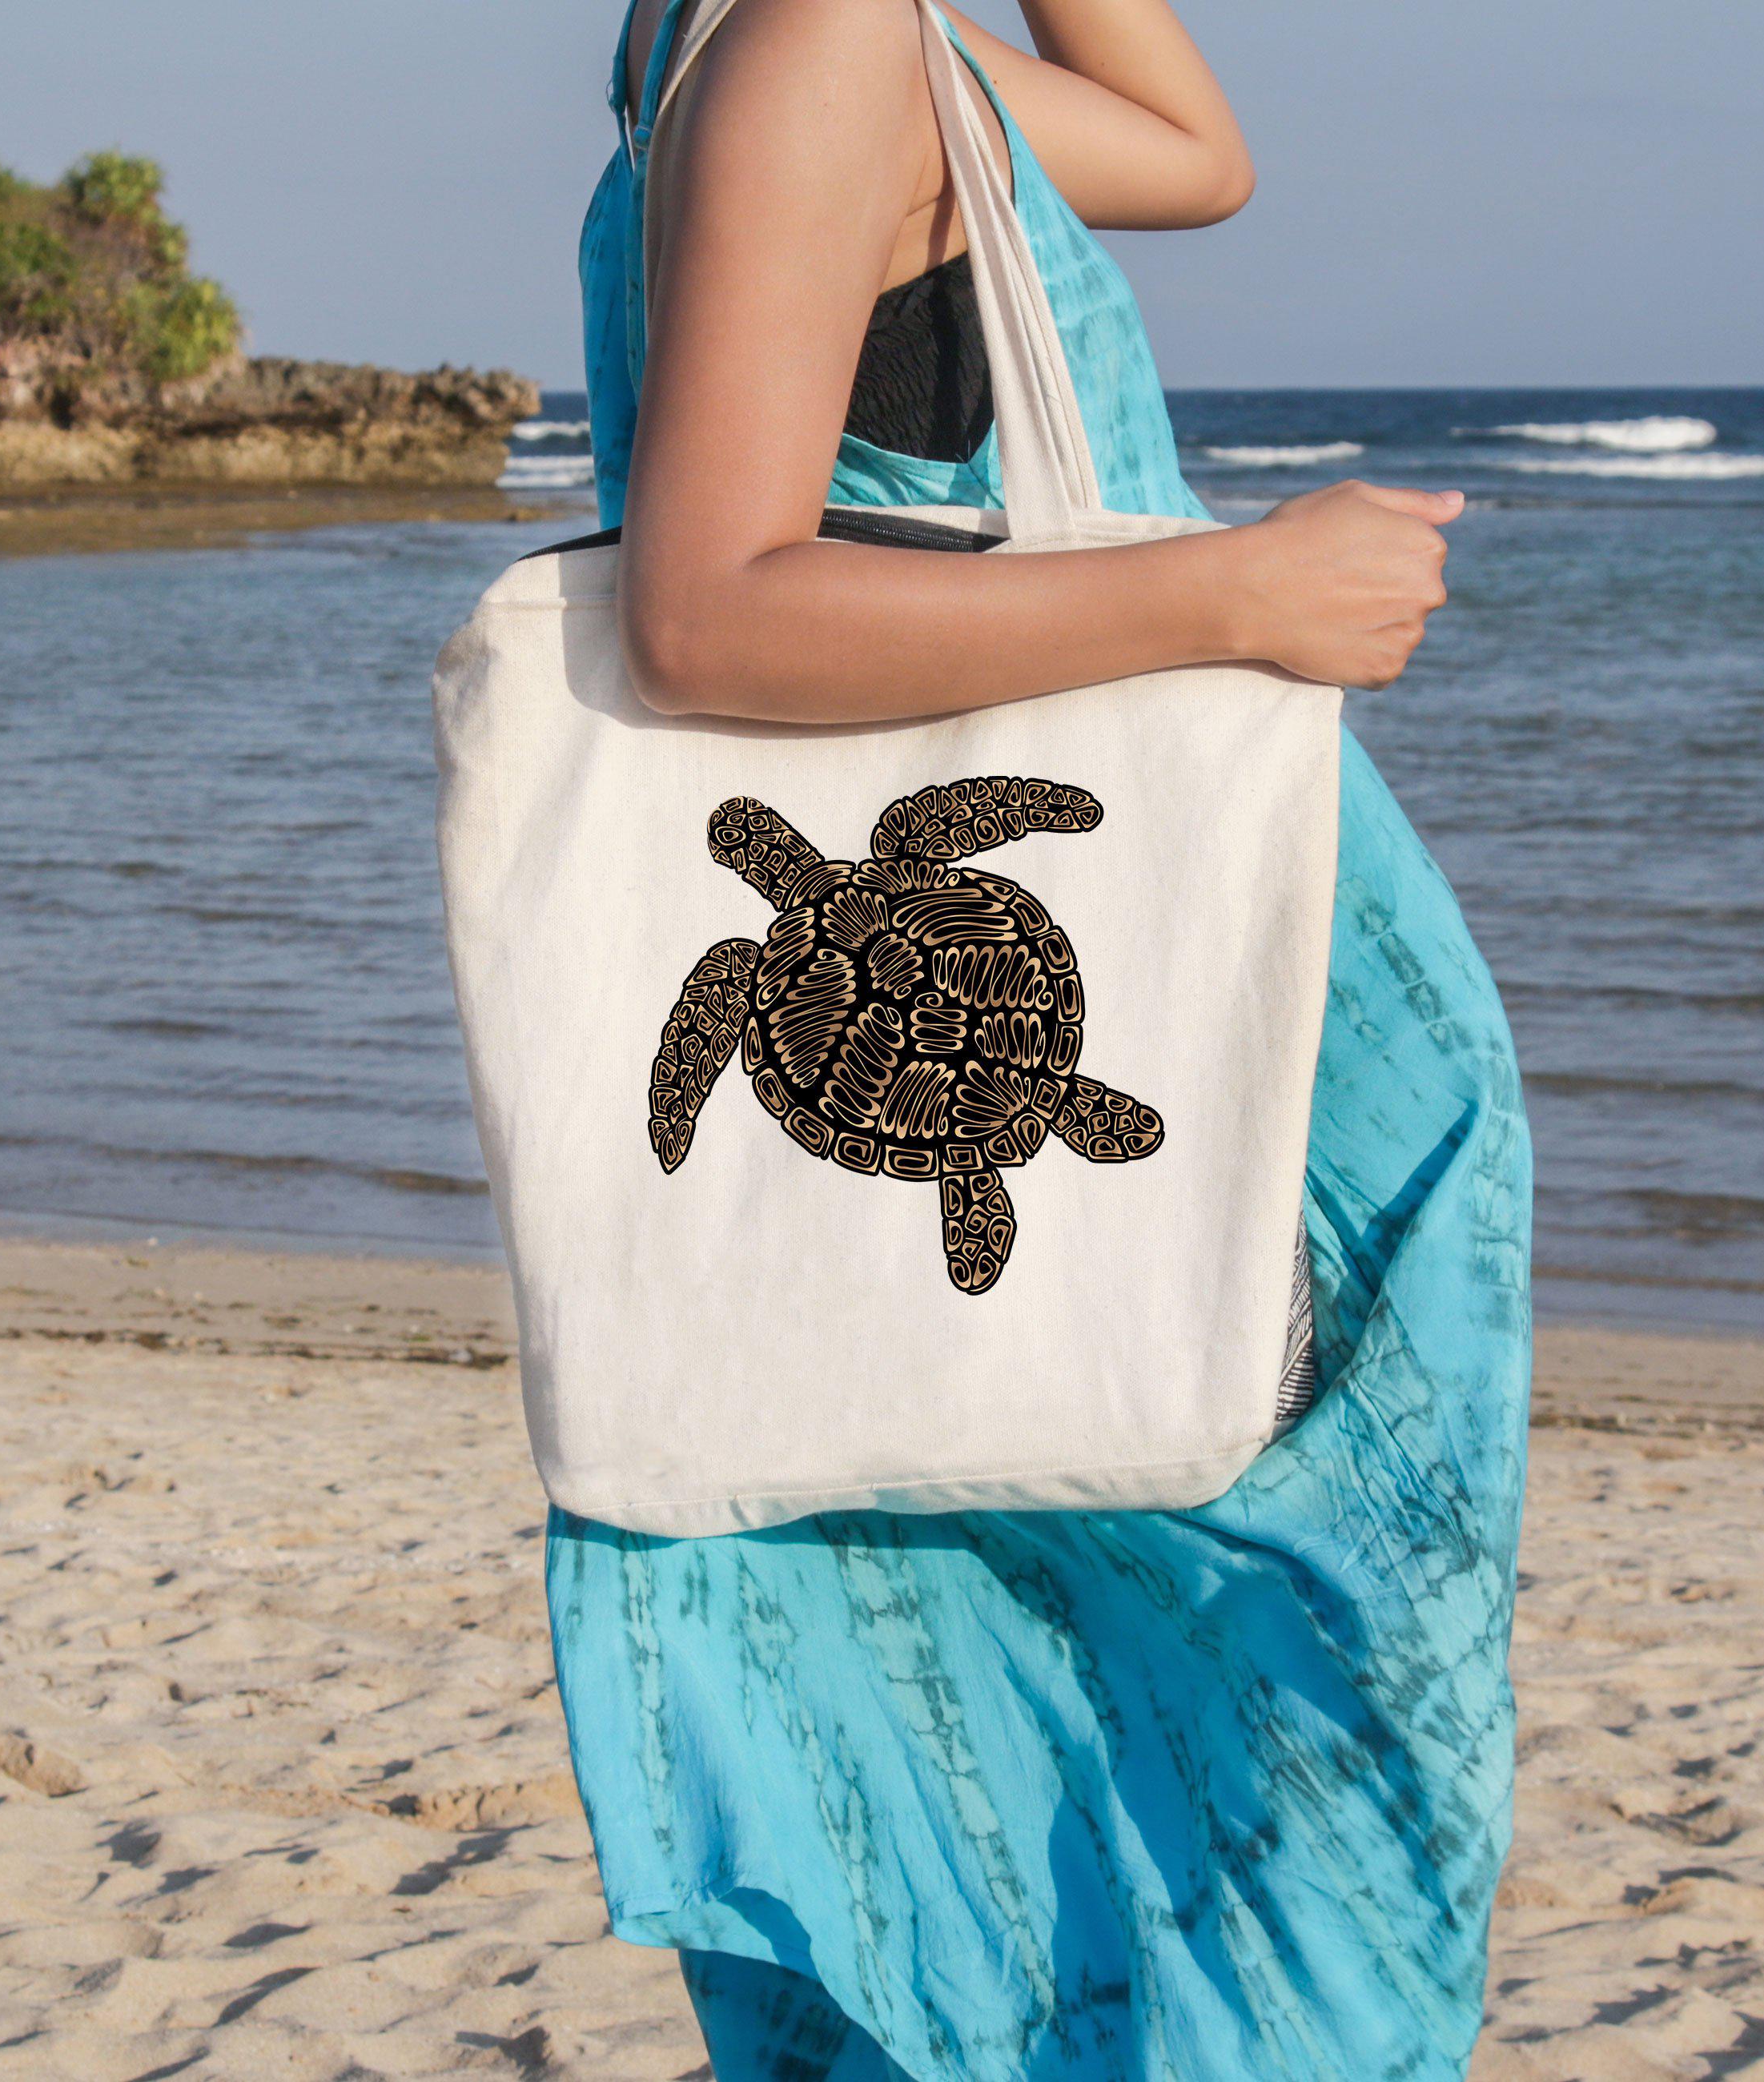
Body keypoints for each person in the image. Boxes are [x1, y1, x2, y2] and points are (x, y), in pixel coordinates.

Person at [550, 2, 1533, 2075]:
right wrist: (1231, 592)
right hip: (1208, 1055)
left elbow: (1195, 151)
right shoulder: (819, 36)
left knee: (1054, 1707)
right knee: (1296, 1753)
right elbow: (705, 615)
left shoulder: (783, 38)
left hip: (1153, 1047)